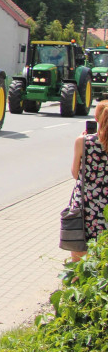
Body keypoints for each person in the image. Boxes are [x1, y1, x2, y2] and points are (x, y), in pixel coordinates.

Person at [67, 100, 108, 261]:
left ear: (96, 119)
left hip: (86, 203)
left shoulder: (83, 142)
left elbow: (75, 173)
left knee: (80, 245)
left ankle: (79, 277)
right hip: (106, 206)